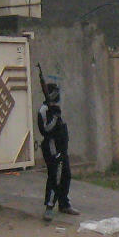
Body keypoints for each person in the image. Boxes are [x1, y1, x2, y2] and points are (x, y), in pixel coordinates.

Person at [38, 82, 79, 221]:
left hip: (62, 147)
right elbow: (46, 130)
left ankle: (64, 204)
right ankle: (49, 206)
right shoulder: (44, 110)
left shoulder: (57, 108)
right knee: (55, 177)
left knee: (66, 175)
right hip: (52, 148)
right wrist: (54, 117)